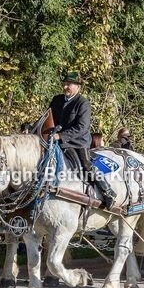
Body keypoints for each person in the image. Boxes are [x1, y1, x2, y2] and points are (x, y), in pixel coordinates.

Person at [49, 72, 116, 209]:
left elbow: (82, 127)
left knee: (86, 166)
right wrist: (31, 128)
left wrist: (61, 136)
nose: (66, 87)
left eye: (69, 84)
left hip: (77, 142)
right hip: (56, 140)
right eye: (65, 84)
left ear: (78, 87)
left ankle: (108, 192)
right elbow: (46, 118)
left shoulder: (83, 103)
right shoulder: (56, 99)